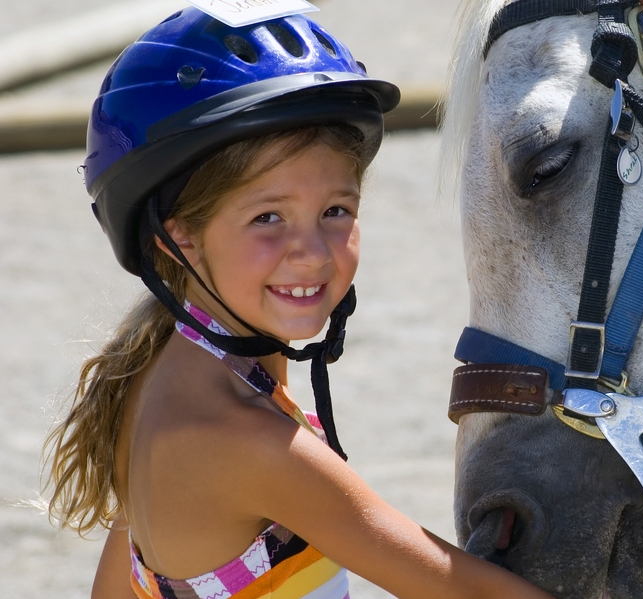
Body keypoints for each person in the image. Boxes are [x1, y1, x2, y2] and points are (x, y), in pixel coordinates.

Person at [43, 7, 555, 599]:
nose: (311, 252)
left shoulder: (158, 377)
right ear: (177, 234)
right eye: (268, 218)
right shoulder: (244, 441)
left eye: (335, 211)